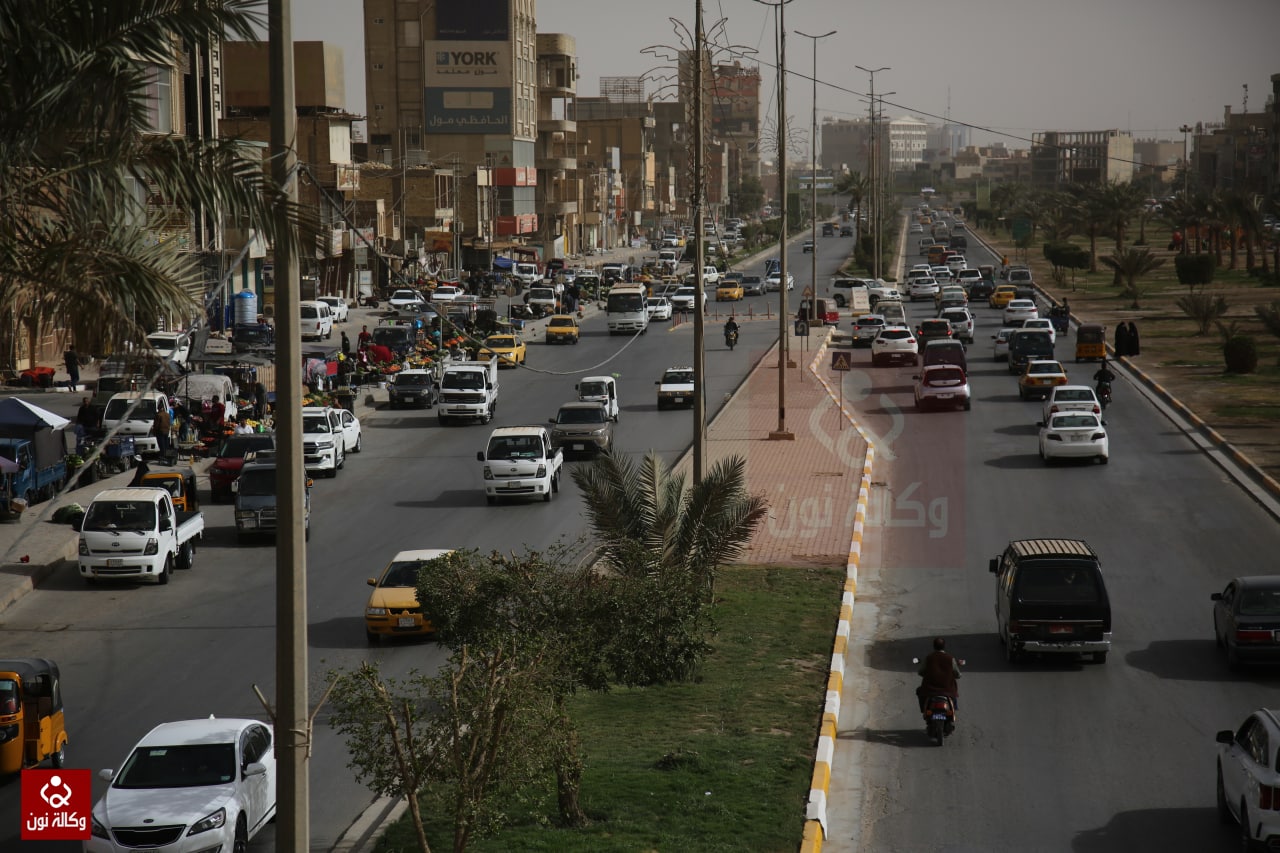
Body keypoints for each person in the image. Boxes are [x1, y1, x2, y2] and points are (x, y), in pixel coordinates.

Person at [916, 637, 961, 714]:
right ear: (944, 646)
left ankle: (924, 710)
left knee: (919, 691)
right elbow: (958, 674)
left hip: (930, 690)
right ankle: (954, 709)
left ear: (934, 646)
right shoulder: (950, 659)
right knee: (954, 693)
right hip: (947, 690)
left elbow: (920, 672)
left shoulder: (928, 658)